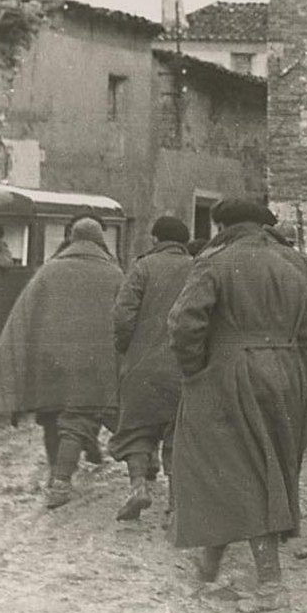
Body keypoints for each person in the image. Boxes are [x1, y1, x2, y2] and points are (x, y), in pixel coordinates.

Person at [167, 198, 307, 613]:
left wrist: (196, 369)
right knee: (257, 465)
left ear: (223, 226)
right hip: (288, 371)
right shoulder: (295, 264)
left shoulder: (214, 262)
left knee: (239, 468)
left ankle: (271, 587)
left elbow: (183, 324)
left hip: (232, 372)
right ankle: (209, 563)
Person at [0, 218, 123, 509]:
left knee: (50, 417)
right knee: (79, 418)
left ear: (72, 238)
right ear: (100, 240)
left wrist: (5, 360)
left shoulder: (48, 271)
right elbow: (125, 318)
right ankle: (62, 479)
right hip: (94, 361)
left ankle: (54, 473)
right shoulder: (114, 274)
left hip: (50, 360)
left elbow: (22, 317)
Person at [108, 215, 194, 524]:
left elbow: (123, 316)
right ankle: (175, 505)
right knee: (178, 433)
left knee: (136, 428)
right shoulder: (198, 267)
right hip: (184, 366)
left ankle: (138, 487)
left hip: (142, 364)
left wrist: (126, 348)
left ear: (156, 239)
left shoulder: (142, 267)